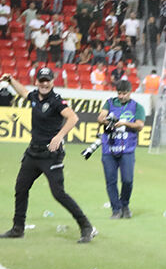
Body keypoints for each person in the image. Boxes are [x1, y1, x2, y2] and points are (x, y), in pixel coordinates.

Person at [0, 68, 96, 243]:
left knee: (58, 193)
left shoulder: (56, 101)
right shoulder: (34, 96)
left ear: (52, 82)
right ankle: (18, 228)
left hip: (51, 155)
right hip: (33, 153)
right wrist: (11, 80)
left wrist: (59, 136)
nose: (44, 84)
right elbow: (24, 92)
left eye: (47, 80)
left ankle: (86, 227)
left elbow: (73, 118)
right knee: (21, 188)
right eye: (42, 80)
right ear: (37, 81)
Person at [97, 78, 146, 219]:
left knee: (127, 180)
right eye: (119, 93)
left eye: (124, 93)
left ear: (130, 92)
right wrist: (109, 121)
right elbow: (100, 118)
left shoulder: (137, 107)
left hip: (127, 150)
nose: (121, 96)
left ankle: (124, 205)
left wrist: (124, 123)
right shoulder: (110, 103)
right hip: (109, 149)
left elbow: (139, 125)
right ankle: (116, 209)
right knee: (110, 181)